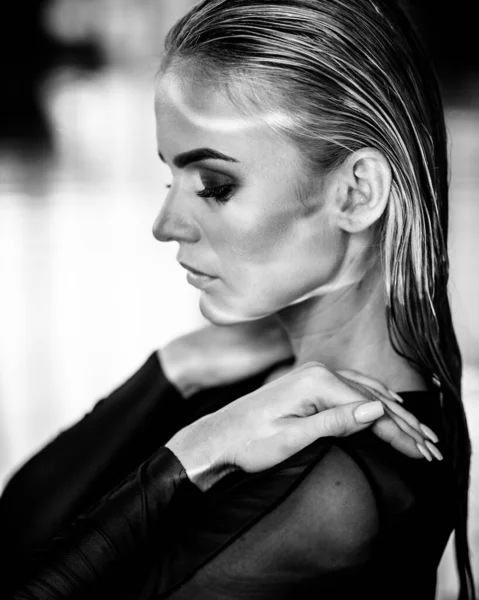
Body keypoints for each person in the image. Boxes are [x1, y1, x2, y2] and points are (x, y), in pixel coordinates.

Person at [0, 0, 475, 598]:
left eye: (215, 187)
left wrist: (195, 455)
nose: (165, 223)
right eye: (169, 179)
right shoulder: (252, 394)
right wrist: (176, 368)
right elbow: (17, 530)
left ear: (356, 195)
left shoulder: (329, 488)